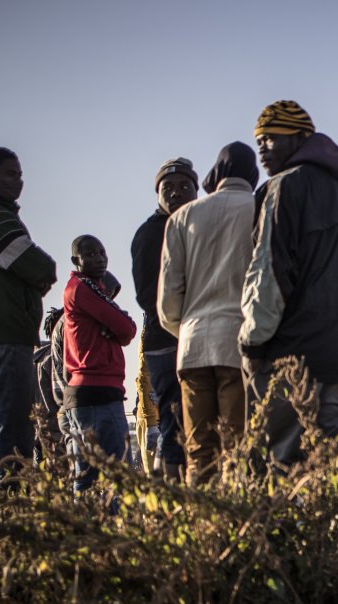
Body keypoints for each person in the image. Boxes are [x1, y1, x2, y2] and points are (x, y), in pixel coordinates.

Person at [240, 101, 338, 468]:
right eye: (259, 140)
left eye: (270, 139)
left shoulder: (282, 189)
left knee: (280, 474)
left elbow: (268, 273)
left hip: (292, 358)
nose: (261, 148)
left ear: (300, 139)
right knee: (326, 476)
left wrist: (252, 343)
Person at [158, 143, 258, 485]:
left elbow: (168, 302)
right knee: (236, 451)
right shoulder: (260, 209)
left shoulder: (182, 218)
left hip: (192, 346)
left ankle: (201, 530)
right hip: (240, 344)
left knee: (199, 453)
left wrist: (187, 328)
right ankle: (235, 531)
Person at [0, 147, 58, 487]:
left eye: (20, 174)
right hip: (7, 329)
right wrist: (45, 272)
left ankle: (3, 497)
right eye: (10, 174)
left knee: (7, 417)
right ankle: (10, 500)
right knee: (13, 420)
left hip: (3, 329)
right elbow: (37, 265)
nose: (18, 181)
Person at [133, 157, 198, 480]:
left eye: (184, 186)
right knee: (175, 414)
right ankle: (171, 495)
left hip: (193, 338)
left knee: (189, 418)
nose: (176, 193)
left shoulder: (197, 226)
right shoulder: (150, 234)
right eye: (168, 187)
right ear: (157, 193)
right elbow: (147, 296)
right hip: (164, 339)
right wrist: (183, 319)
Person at [63, 236, 137, 492]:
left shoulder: (82, 290)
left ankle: (85, 529)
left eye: (102, 253)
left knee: (86, 476)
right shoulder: (83, 287)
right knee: (118, 475)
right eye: (91, 254)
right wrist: (116, 323)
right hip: (98, 391)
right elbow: (126, 328)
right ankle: (115, 530)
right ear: (76, 260)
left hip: (85, 394)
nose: (99, 258)